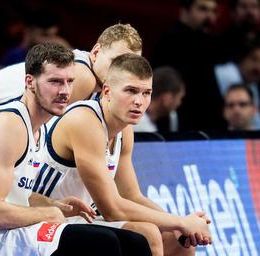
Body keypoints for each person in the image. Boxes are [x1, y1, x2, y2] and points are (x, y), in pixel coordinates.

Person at [0, 42, 151, 256]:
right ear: (30, 82)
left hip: (10, 230)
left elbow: (15, 196)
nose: (65, 91)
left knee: (135, 242)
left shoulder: (37, 128)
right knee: (102, 243)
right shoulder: (10, 125)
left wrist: (55, 204)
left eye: (69, 82)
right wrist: (48, 213)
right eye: (55, 82)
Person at [36, 54, 211, 256]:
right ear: (108, 91)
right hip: (44, 216)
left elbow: (131, 195)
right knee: (148, 233)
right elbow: (112, 209)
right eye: (131, 91)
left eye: (146, 93)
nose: (139, 101)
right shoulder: (84, 122)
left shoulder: (124, 129)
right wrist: (181, 221)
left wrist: (181, 225)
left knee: (179, 240)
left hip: (80, 219)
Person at [0, 23, 143, 166]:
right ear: (96, 51)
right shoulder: (82, 77)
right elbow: (40, 139)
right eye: (115, 62)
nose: (120, 72)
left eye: (128, 65)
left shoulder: (86, 76)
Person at [153, 0, 225, 131]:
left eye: (213, 11)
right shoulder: (170, 42)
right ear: (184, 11)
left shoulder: (210, 42)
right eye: (203, 9)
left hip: (207, 122)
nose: (209, 16)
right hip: (180, 123)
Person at [1, 10, 71, 66]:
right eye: (45, 35)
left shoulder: (53, 55)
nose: (53, 40)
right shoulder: (14, 56)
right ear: (29, 31)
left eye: (54, 36)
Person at [134, 66, 185, 132]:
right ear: (167, 98)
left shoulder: (142, 122)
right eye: (179, 98)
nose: (179, 103)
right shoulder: (143, 129)